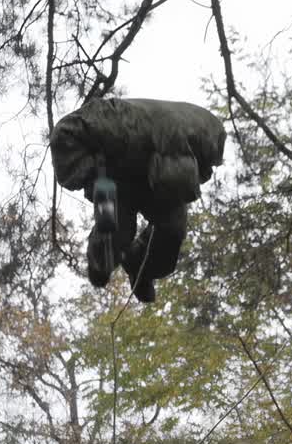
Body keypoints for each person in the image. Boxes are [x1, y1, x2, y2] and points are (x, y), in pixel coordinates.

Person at [50, 96, 226, 302]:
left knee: (172, 231)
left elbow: (190, 182)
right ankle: (103, 261)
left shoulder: (200, 140)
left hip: (146, 162)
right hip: (114, 160)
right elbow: (71, 132)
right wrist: (97, 172)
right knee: (115, 228)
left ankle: (137, 266)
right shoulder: (106, 126)